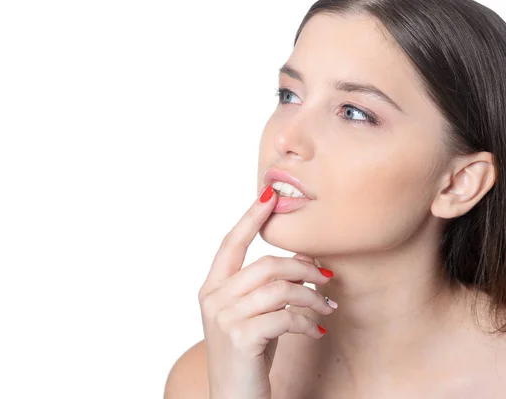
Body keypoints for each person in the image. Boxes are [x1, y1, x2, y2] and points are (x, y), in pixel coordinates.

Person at [164, 0, 506, 397]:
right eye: (289, 95)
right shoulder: (210, 374)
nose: (285, 139)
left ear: (459, 183)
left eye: (354, 112)